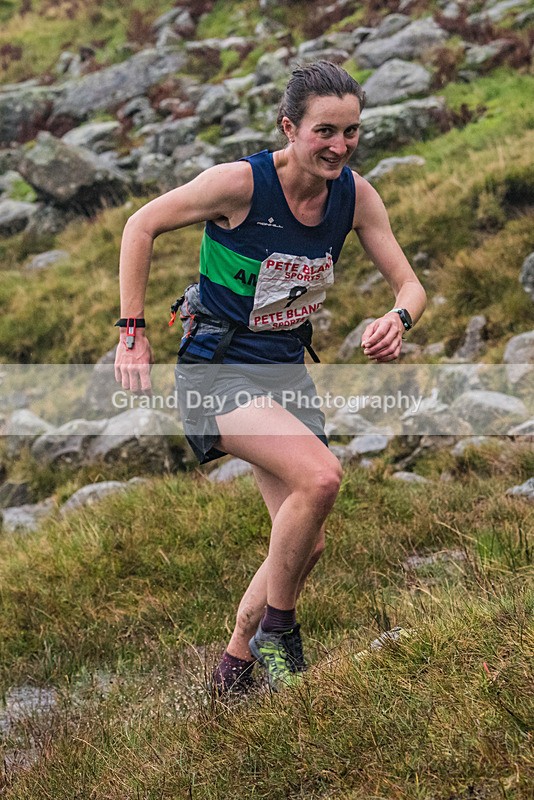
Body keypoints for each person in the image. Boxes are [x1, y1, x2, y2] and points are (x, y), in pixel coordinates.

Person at [114, 61, 426, 694]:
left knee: (303, 542)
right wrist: (133, 332)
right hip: (217, 367)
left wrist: (398, 318)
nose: (340, 146)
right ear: (290, 128)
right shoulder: (239, 184)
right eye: (325, 131)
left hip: (283, 368)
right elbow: (139, 225)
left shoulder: (356, 196)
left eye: (352, 131)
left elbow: (411, 285)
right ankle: (279, 634)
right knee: (322, 477)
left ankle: (232, 671)